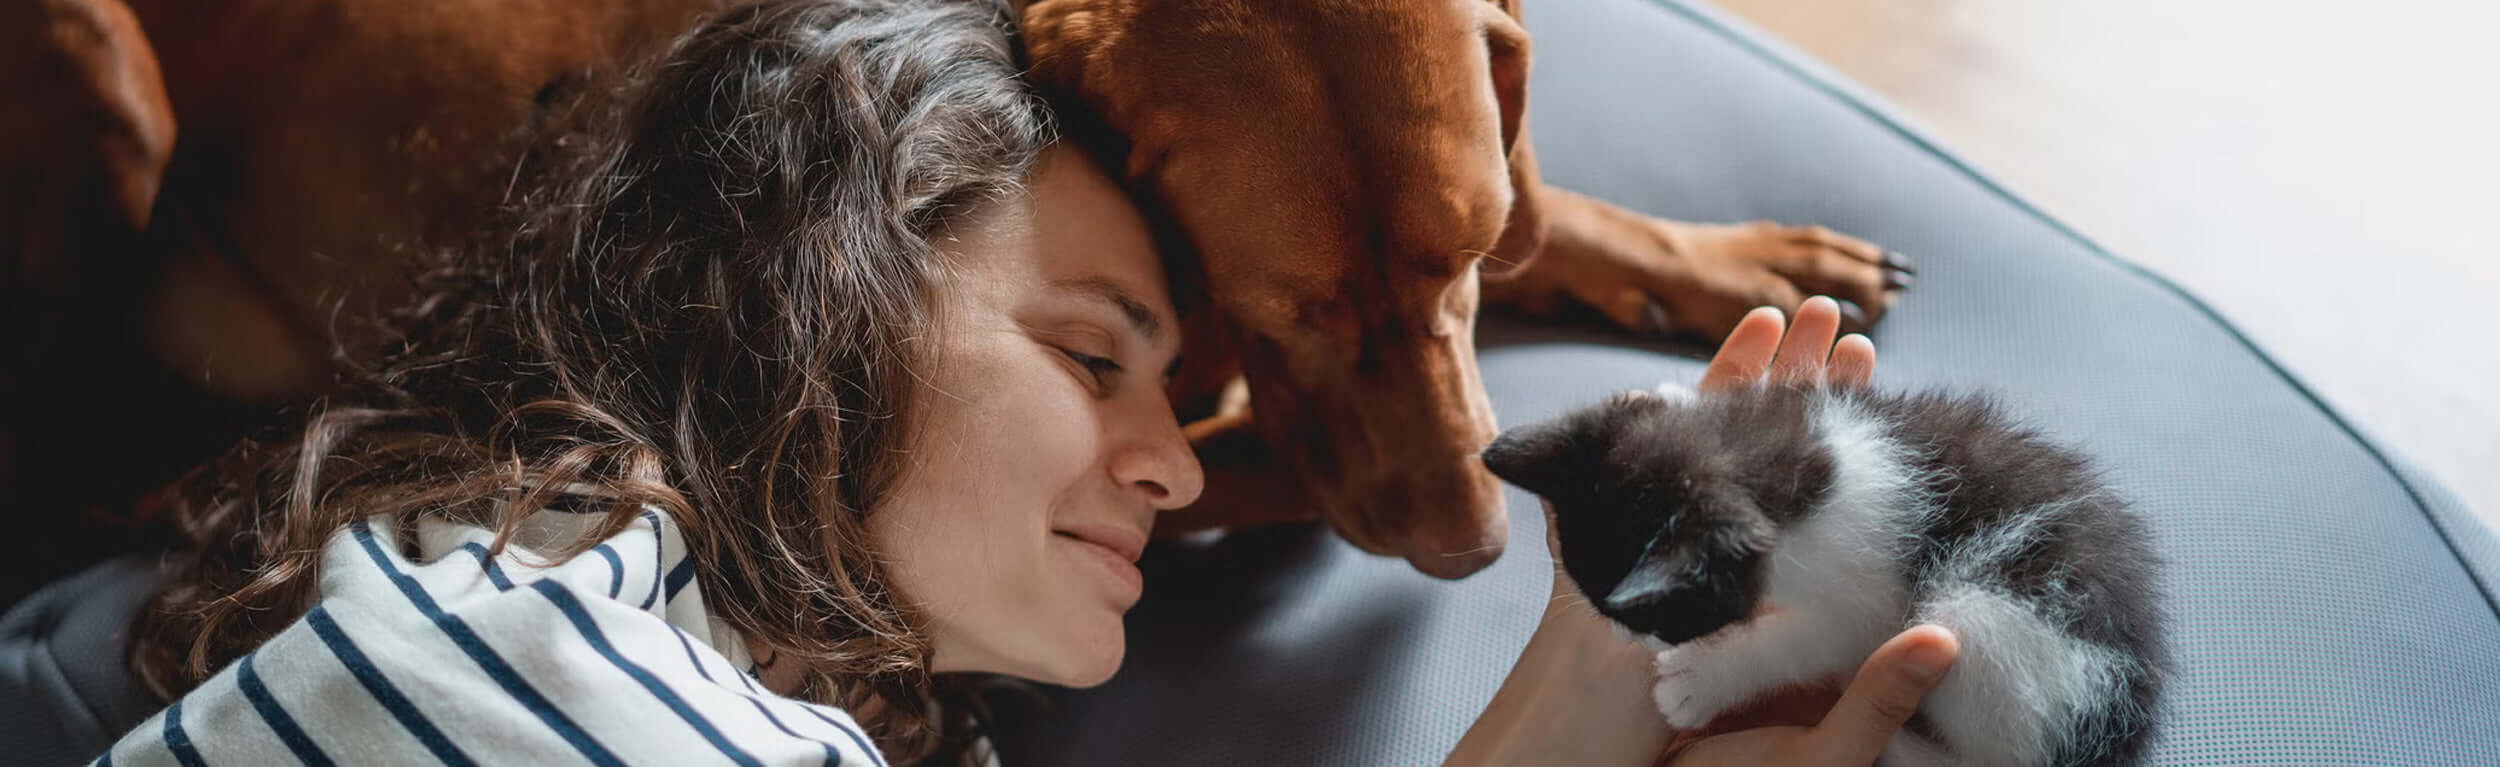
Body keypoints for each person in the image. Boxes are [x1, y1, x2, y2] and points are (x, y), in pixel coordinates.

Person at [87, 0, 1952, 764]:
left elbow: (1369, 180)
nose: (1455, 513)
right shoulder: (520, 662)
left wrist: (1592, 673)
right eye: (1094, 353)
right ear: (806, 313)